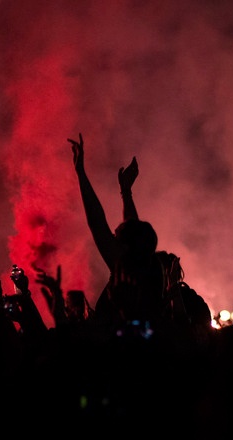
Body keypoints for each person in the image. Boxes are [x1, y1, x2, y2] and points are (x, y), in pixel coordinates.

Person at [67, 133, 165, 330]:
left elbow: (97, 222)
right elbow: (133, 228)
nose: (112, 233)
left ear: (125, 249)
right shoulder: (151, 266)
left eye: (116, 236)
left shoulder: (127, 270)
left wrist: (81, 173)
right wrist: (126, 192)